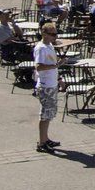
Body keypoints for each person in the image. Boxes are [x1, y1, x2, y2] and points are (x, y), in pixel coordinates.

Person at [33, 22, 62, 153]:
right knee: (45, 115)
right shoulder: (41, 48)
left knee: (49, 113)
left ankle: (45, 138)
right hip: (45, 86)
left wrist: (59, 79)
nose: (55, 37)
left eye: (55, 34)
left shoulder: (49, 45)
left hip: (52, 84)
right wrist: (56, 66)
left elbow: (52, 64)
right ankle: (41, 143)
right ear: (44, 34)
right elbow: (38, 67)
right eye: (52, 34)